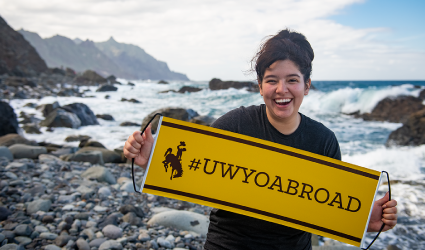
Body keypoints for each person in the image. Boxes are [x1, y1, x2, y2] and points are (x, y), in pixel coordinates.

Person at [123, 29, 398, 250]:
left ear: (307, 84)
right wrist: (150, 156)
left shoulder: (323, 141)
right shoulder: (234, 125)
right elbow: (189, 169)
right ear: (259, 85)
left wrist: (362, 218)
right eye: (271, 80)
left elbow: (326, 206)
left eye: (292, 79)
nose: (281, 90)